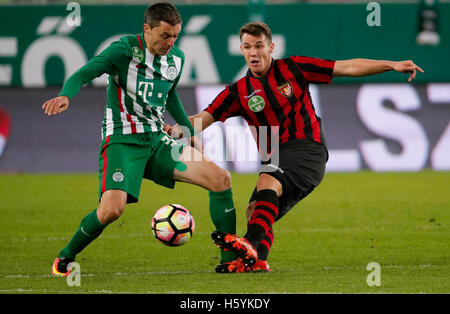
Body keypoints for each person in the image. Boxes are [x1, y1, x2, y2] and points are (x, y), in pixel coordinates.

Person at [173, 21, 424, 273]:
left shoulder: (294, 68)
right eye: (247, 47)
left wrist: (390, 65)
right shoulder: (238, 92)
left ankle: (247, 245)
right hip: (274, 156)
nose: (253, 52)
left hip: (307, 148)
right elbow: (202, 120)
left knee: (267, 183)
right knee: (255, 211)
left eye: (259, 46)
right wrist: (174, 130)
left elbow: (346, 66)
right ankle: (257, 261)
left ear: (271, 47)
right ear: (241, 50)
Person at [43, 2, 237, 277]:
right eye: (165, 36)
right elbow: (88, 71)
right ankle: (65, 257)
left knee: (221, 180)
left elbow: (169, 95)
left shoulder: (176, 59)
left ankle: (229, 261)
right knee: (111, 210)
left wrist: (190, 134)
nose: (171, 42)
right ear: (147, 29)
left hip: (157, 142)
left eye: (175, 36)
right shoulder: (124, 51)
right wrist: (66, 94)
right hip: (122, 142)